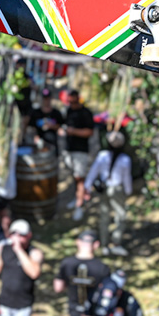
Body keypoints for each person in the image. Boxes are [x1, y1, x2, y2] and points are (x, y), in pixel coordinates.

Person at [53, 230, 111, 316]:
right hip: (94, 312)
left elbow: (58, 287)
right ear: (96, 244)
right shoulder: (102, 267)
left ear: (78, 242)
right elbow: (107, 292)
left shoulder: (67, 263)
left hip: (75, 310)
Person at [84, 131, 132, 255]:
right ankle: (115, 243)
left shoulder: (103, 155)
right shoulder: (125, 159)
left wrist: (87, 186)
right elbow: (126, 178)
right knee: (120, 216)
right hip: (115, 189)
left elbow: (93, 172)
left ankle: (105, 244)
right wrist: (128, 191)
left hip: (105, 188)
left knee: (105, 216)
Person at [60, 90, 98, 220]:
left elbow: (90, 132)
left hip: (81, 150)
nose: (71, 103)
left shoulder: (86, 113)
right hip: (69, 150)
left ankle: (79, 205)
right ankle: (77, 198)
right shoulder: (68, 111)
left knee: (80, 178)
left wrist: (73, 131)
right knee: (75, 177)